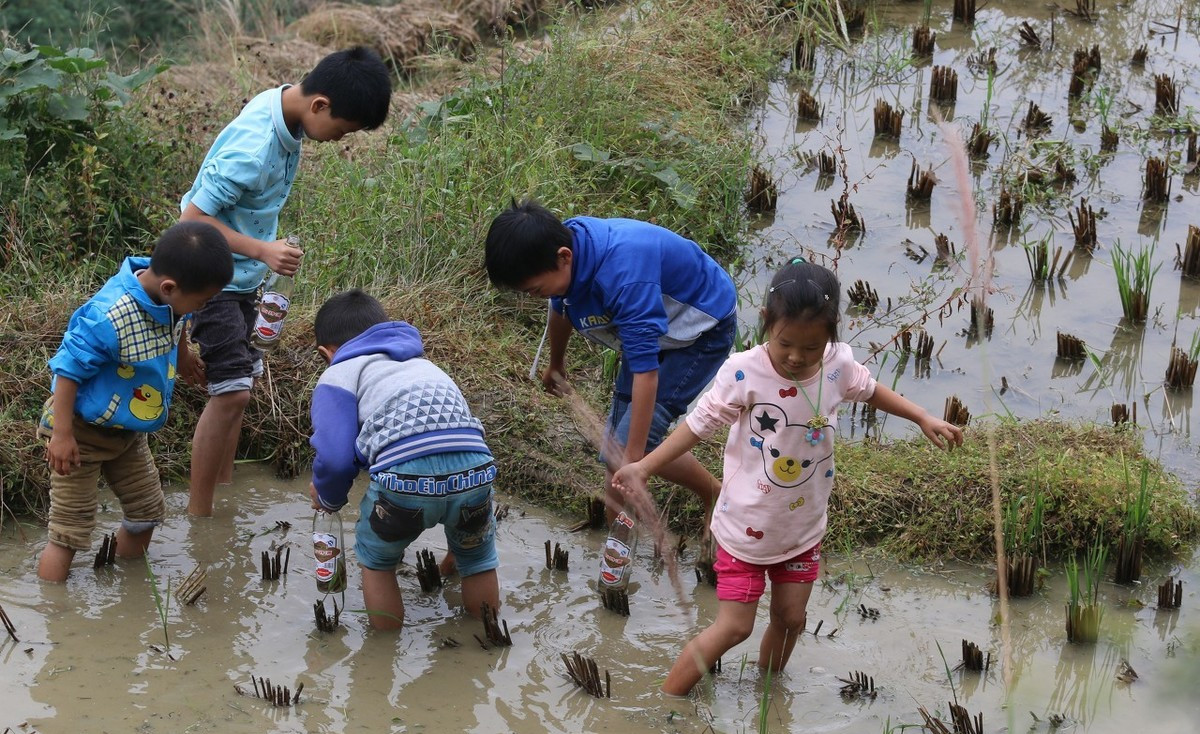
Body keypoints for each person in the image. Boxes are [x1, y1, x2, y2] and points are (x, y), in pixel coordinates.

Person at [613, 258, 964, 695]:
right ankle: (667, 700)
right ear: (766, 324)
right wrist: (645, 465)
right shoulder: (744, 371)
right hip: (744, 529)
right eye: (785, 345)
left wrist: (921, 416)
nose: (797, 357)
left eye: (811, 348)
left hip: (801, 528)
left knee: (791, 619)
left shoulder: (837, 366)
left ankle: (768, 695)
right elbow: (698, 424)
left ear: (832, 335)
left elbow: (870, 389)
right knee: (734, 628)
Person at [180, 46, 392, 517]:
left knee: (242, 386)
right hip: (212, 278)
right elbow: (190, 223)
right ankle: (200, 516)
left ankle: (225, 490)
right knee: (231, 390)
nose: (338, 140)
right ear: (320, 105)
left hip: (243, 280)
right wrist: (260, 249)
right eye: (341, 131)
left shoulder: (288, 115)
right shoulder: (255, 146)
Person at [484, 199, 737, 525]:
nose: (535, 297)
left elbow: (646, 373)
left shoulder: (623, 278)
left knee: (635, 451)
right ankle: (610, 540)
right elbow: (560, 304)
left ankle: (715, 494)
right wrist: (555, 363)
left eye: (534, 290)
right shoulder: (568, 251)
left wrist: (635, 463)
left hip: (702, 326)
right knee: (616, 452)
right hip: (654, 326)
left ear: (564, 257)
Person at [37, 222, 233, 582]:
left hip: (127, 434)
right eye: (203, 301)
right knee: (69, 530)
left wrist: (184, 353)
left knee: (147, 513)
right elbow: (67, 370)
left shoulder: (170, 297)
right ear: (169, 287)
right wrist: (61, 435)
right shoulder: (110, 316)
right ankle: (54, 614)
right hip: (80, 433)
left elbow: (180, 317)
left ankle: (125, 586)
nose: (202, 308)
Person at [307, 289, 500, 630]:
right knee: (480, 558)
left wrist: (327, 499)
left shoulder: (339, 373)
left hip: (406, 480)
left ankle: (383, 651)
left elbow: (335, 459)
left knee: (378, 562)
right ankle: (484, 642)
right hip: (476, 471)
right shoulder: (423, 364)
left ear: (327, 353)